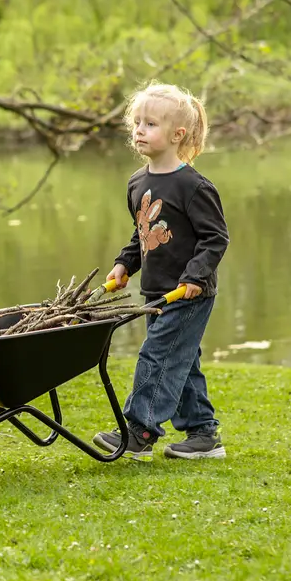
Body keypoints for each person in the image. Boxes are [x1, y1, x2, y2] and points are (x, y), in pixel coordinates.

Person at [92, 81, 230, 461]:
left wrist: (195, 278)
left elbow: (216, 238)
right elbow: (141, 234)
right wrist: (124, 264)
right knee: (180, 360)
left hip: (188, 294)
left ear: (177, 134)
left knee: (157, 356)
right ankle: (204, 435)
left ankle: (139, 430)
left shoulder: (194, 186)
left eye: (150, 124)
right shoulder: (138, 183)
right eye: (136, 122)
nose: (139, 130)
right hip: (156, 293)